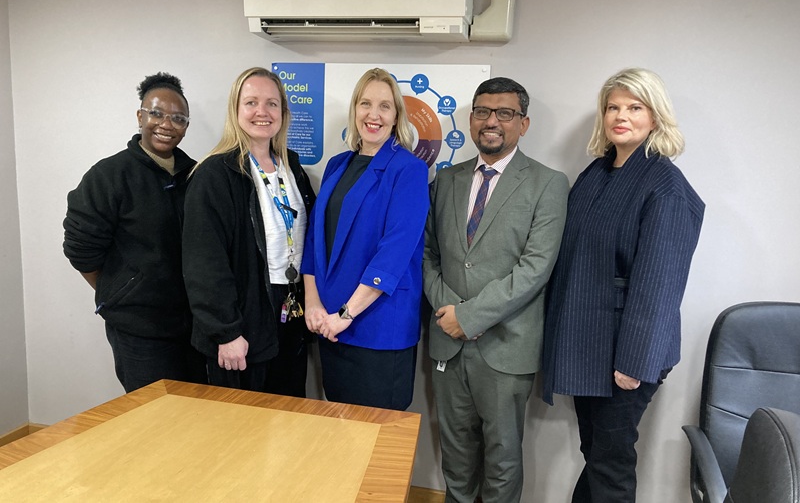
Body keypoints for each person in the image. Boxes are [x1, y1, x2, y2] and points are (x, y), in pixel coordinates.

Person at [542, 68, 705, 503]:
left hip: (629, 350)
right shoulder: (597, 173)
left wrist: (634, 361)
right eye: (613, 107)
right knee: (597, 454)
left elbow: (659, 285)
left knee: (611, 464)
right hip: (589, 343)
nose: (621, 116)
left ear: (655, 116)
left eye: (634, 108)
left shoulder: (666, 187)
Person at [423, 77, 569, 502]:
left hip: (507, 346)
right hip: (446, 341)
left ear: (523, 124)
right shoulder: (445, 181)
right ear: (470, 120)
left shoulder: (548, 182)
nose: (492, 121)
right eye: (483, 111)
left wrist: (470, 317)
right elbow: (426, 255)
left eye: (504, 113)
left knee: (503, 459)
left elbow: (536, 267)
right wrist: (450, 313)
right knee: (455, 456)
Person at [63, 72, 205, 393]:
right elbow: (80, 248)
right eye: (156, 113)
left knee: (197, 416)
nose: (166, 125)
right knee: (152, 420)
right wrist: (121, 290)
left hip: (194, 327)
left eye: (178, 118)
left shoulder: (197, 175)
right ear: (140, 116)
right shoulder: (109, 176)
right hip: (140, 331)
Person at [301, 67, 428, 411]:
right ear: (354, 109)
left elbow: (395, 253)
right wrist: (312, 303)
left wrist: (347, 312)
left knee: (377, 445)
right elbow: (315, 240)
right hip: (330, 327)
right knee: (340, 438)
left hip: (377, 331)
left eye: (385, 106)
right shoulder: (337, 165)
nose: (374, 114)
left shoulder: (409, 170)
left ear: (397, 116)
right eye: (366, 103)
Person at [182, 67, 315, 396]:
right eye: (251, 102)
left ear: (283, 113)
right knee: (242, 432)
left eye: (272, 103)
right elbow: (204, 264)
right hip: (242, 319)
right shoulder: (214, 175)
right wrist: (225, 332)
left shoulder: (293, 170)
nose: (262, 112)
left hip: (289, 313)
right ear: (235, 110)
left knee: (287, 420)